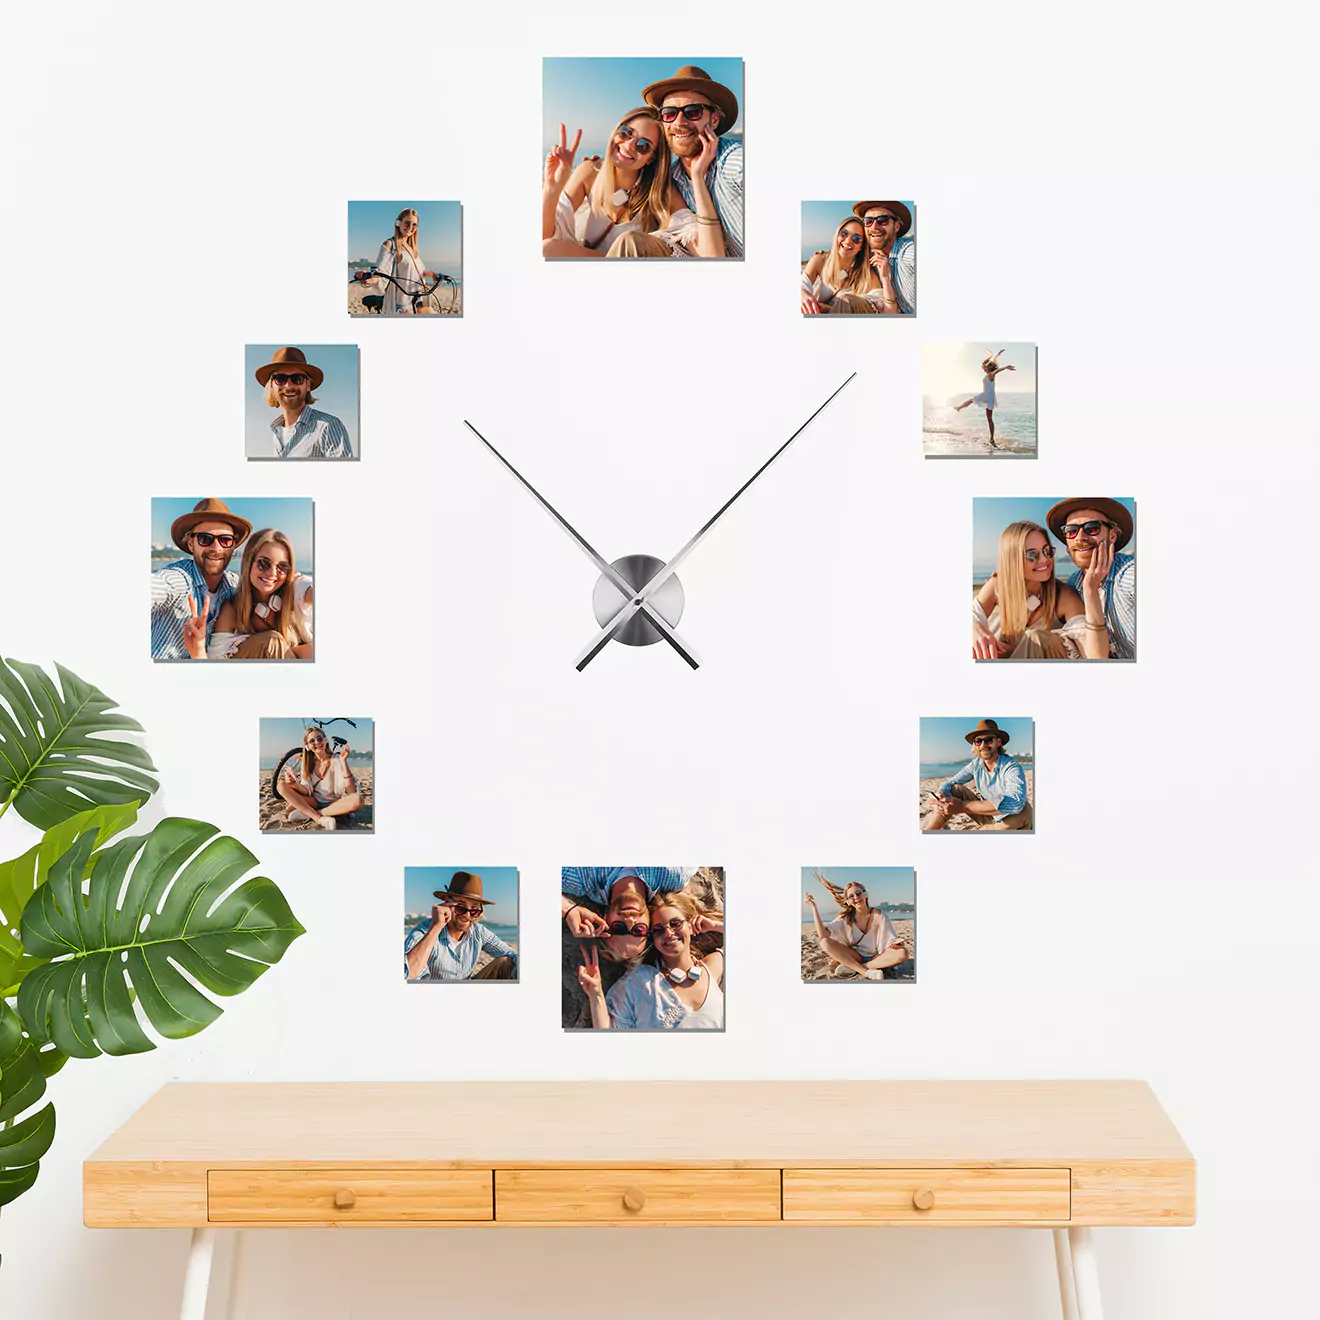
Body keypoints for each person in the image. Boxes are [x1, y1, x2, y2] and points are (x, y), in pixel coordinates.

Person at [603, 65, 742, 259]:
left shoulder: (734, 162)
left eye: (693, 111)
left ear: (714, 120)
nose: (679, 122)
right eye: (669, 113)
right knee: (631, 243)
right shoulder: (674, 179)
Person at [542, 110, 722, 258]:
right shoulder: (590, 171)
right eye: (625, 133)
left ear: (652, 157)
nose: (628, 145)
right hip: (594, 264)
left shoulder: (658, 191)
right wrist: (552, 188)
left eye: (643, 145)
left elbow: (708, 254)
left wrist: (697, 176)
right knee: (547, 248)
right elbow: (544, 236)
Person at [578, 890, 724, 1029]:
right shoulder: (639, 981)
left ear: (691, 927)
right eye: (658, 930)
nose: (668, 933)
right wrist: (595, 994)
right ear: (652, 939)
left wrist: (715, 926)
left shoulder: (712, 967)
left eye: (675, 924)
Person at [972, 520, 1107, 660]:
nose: (1045, 560)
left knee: (1035, 638)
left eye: (1046, 551)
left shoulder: (1064, 597)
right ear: (1013, 559)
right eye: (1032, 555)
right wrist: (974, 627)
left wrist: (1090, 589)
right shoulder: (997, 586)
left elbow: (1093, 655)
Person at [151, 498, 250, 660]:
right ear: (191, 544)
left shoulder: (234, 585)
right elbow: (159, 586)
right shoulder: (179, 579)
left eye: (225, 540)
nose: (216, 548)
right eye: (205, 539)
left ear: (233, 546)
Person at [1047, 498, 1137, 660]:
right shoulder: (1074, 583)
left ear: (1112, 536)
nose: (1079, 537)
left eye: (1092, 528)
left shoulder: (1130, 576)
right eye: (1071, 530)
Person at [203, 528, 313, 660]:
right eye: (263, 563)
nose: (272, 573)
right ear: (249, 563)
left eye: (282, 567)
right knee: (272, 641)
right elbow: (215, 660)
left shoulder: (295, 589)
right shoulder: (233, 609)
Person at [561, 868, 694, 963]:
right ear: (650, 924)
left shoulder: (581, 879)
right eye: (638, 930)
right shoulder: (674, 876)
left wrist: (568, 909)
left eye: (619, 928)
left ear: (604, 918)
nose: (630, 921)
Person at [923, 719, 1033, 832]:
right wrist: (940, 795)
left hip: (1012, 821)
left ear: (998, 742)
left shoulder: (1011, 767)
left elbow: (1016, 803)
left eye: (989, 740)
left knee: (1024, 810)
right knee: (955, 789)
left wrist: (962, 806)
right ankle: (929, 831)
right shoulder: (976, 765)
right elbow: (951, 782)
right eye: (978, 741)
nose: (983, 745)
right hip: (990, 816)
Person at [404, 872, 517, 981]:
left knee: (506, 962)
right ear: (446, 903)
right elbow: (406, 975)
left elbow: (511, 954)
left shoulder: (479, 932)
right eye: (460, 908)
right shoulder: (424, 931)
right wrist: (435, 928)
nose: (467, 915)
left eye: (474, 910)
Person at [804, 873, 909, 979]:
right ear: (848, 901)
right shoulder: (845, 917)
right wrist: (814, 908)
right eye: (851, 896)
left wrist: (896, 943)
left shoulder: (879, 914)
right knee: (824, 943)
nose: (856, 897)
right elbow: (823, 935)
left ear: (865, 894)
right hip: (855, 956)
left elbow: (890, 938)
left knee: (903, 953)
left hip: (877, 956)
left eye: (858, 893)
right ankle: (865, 972)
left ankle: (856, 967)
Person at [255, 347, 352, 459]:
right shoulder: (276, 432)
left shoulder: (328, 427)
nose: (289, 385)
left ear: (308, 385)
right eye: (281, 378)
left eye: (297, 378)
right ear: (271, 385)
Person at [352, 208, 439, 314]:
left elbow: (420, 272)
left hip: (417, 299)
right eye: (407, 223)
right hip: (401, 304)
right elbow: (380, 273)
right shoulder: (390, 244)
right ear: (398, 223)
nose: (410, 228)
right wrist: (368, 279)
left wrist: (434, 274)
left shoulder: (413, 249)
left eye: (414, 225)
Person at [801, 217, 878, 314]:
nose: (848, 241)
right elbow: (802, 285)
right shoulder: (820, 261)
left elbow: (880, 303)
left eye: (856, 238)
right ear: (837, 235)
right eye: (844, 234)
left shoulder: (865, 273)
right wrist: (802, 293)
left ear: (861, 247)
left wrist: (828, 309)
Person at [853, 200, 916, 314]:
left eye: (883, 220)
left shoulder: (908, 252)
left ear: (896, 227)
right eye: (868, 221)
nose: (874, 226)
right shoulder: (870, 255)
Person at [954, 350, 1016, 448]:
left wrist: (1005, 367)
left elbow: (997, 370)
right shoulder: (989, 374)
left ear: (988, 368)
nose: (984, 368)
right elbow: (995, 365)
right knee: (989, 419)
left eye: (985, 367)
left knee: (971, 400)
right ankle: (991, 439)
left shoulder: (991, 375)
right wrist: (997, 355)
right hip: (989, 397)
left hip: (986, 396)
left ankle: (959, 408)